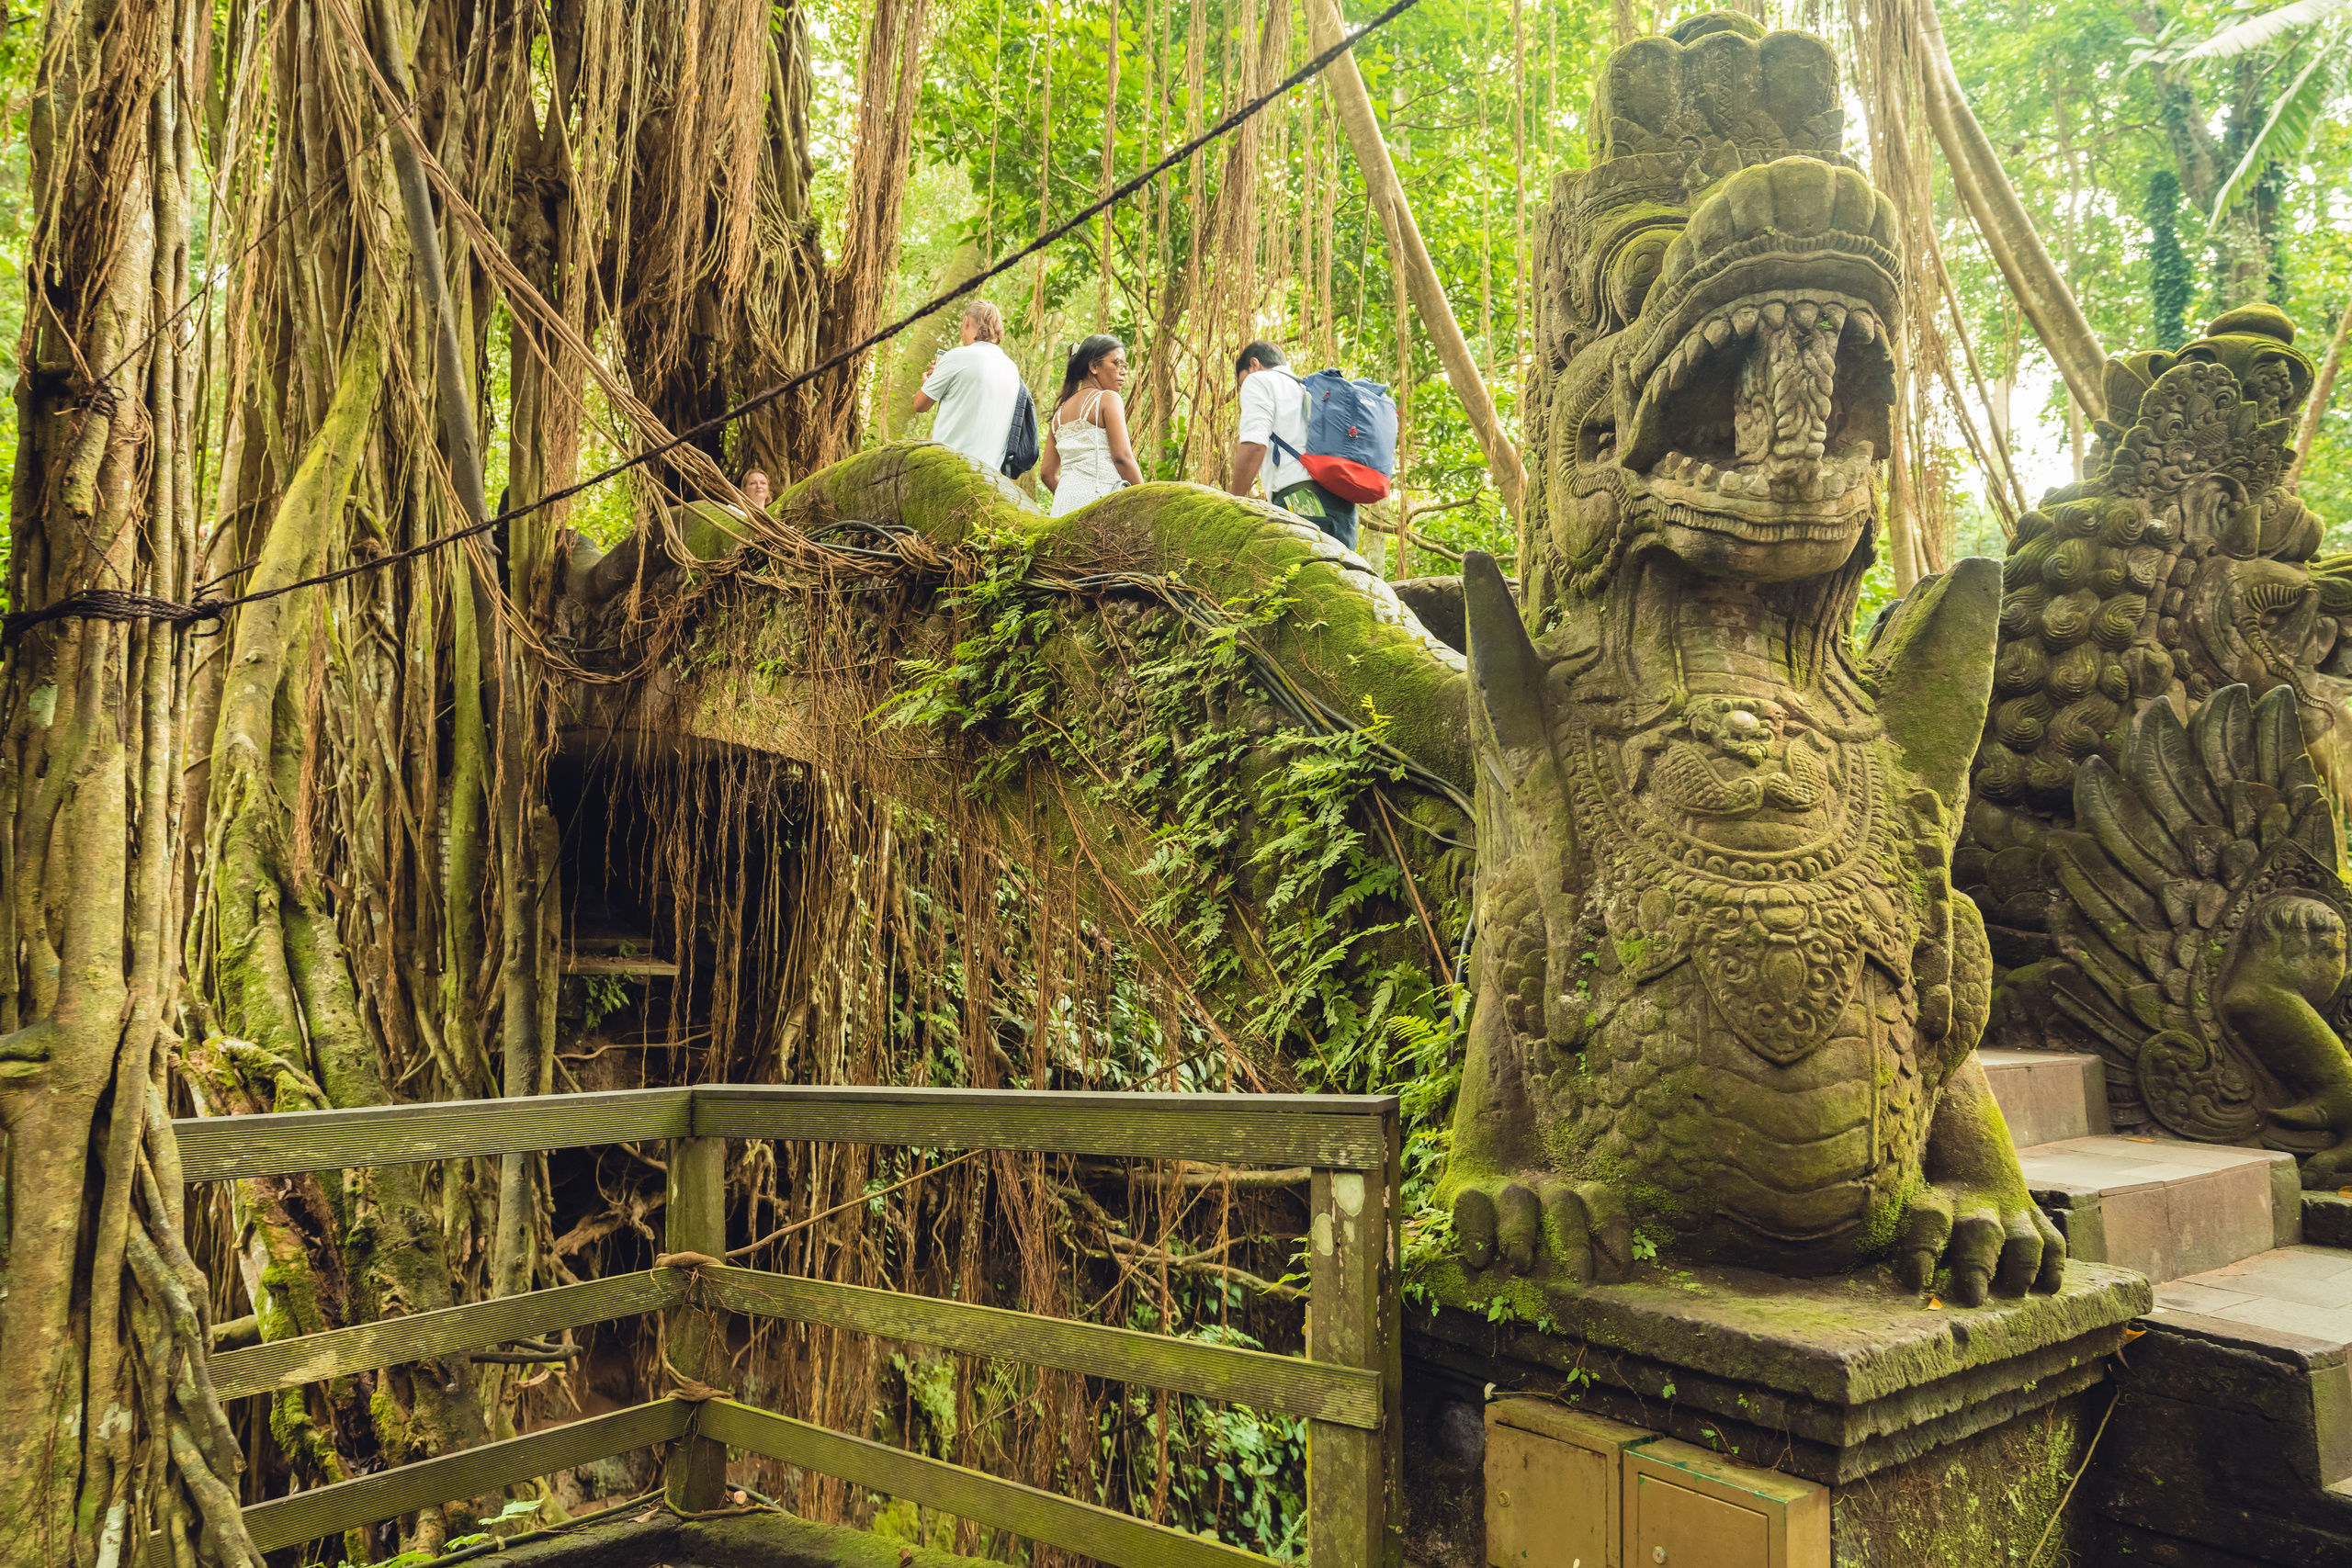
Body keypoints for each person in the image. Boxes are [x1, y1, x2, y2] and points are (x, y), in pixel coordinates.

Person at [1226, 340, 1356, 547]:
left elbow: (1254, 446)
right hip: (1344, 509)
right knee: (1341, 576)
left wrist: (1232, 503)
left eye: (1242, 382)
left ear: (1254, 364)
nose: (1244, 387)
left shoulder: (1259, 380)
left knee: (1291, 576)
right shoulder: (1309, 388)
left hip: (1301, 499)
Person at [1039, 334, 1143, 518]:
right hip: (1101, 504)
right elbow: (1122, 457)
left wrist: (1071, 499)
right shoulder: (1107, 399)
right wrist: (1146, 497)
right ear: (1094, 366)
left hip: (1062, 510)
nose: (1124, 371)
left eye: (1125, 366)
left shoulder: (1059, 414)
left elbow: (1047, 473)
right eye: (1117, 363)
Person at [913, 302, 1024, 472]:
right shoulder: (1012, 369)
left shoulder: (957, 357)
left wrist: (927, 385)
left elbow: (919, 405)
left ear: (966, 321)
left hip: (949, 466)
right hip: (990, 473)